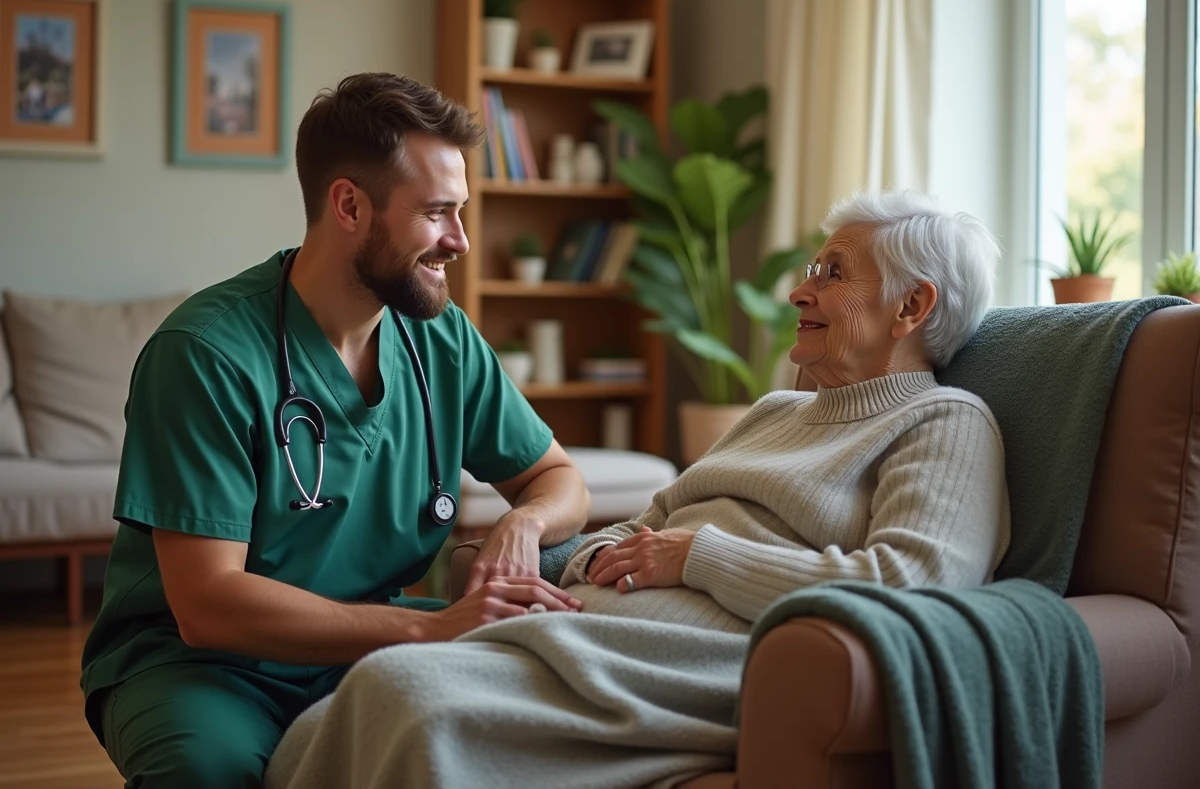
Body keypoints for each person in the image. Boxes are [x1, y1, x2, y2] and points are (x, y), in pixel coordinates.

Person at [263, 189, 1013, 789]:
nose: (798, 290)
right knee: (356, 701)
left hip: (696, 667)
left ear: (912, 307)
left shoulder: (943, 422)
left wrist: (698, 559)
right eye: (812, 269)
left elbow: (916, 584)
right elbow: (650, 523)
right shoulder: (776, 411)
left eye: (832, 274)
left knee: (408, 703)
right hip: (591, 635)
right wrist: (604, 560)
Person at [79, 72, 591, 789]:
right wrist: (429, 628)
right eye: (438, 213)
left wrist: (526, 526)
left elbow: (559, 479)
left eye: (462, 212)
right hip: (205, 666)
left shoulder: (442, 342)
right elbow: (207, 605)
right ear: (348, 204)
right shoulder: (205, 354)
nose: (461, 242)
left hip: (369, 639)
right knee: (207, 772)